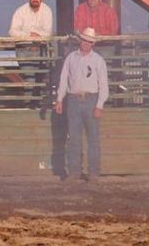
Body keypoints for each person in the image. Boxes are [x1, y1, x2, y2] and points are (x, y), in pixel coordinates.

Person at [55, 28, 109, 182]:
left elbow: (103, 85)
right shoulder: (71, 58)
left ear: (93, 44)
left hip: (91, 99)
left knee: (93, 139)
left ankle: (94, 173)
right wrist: (60, 99)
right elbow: (64, 80)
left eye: (90, 42)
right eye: (85, 40)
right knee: (74, 138)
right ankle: (74, 172)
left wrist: (99, 105)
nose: (87, 44)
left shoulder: (98, 60)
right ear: (80, 41)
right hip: (73, 99)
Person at [9, 0, 54, 105]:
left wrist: (36, 37)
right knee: (30, 77)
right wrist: (30, 35)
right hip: (24, 49)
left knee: (41, 77)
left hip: (41, 48)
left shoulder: (47, 11)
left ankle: (40, 104)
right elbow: (12, 32)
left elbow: (48, 33)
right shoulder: (20, 11)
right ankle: (30, 105)